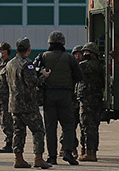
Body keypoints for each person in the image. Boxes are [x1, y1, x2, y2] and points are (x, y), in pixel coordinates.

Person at [36, 32, 82, 166]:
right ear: (63, 43)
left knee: (50, 127)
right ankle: (68, 152)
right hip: (65, 95)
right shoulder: (69, 58)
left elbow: (34, 73)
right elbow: (79, 76)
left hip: (49, 95)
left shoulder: (42, 56)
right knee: (68, 125)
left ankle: (52, 156)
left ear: (50, 43)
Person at [3, 38, 50, 169]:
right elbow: (32, 82)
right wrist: (44, 76)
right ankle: (38, 158)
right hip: (27, 104)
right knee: (38, 130)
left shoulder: (10, 64)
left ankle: (18, 158)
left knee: (18, 131)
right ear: (28, 49)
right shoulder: (27, 64)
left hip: (14, 103)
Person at [74, 43, 107, 162]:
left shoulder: (89, 65)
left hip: (88, 99)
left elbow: (76, 69)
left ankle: (90, 152)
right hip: (95, 99)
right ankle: (88, 150)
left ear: (93, 53)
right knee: (91, 126)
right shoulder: (99, 66)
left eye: (87, 52)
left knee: (87, 125)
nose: (84, 54)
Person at [0, 42, 17, 154]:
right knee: (4, 121)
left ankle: (10, 143)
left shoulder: (9, 65)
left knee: (7, 121)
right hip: (2, 98)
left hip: (8, 98)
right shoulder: (2, 64)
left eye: (1, 49)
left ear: (6, 51)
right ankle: (10, 142)